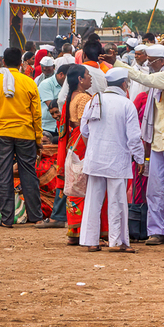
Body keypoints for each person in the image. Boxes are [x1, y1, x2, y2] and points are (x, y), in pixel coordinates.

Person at [124, 44, 164, 246]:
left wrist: (116, 64)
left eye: (150, 61)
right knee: (155, 189)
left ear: (160, 61)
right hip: (157, 140)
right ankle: (157, 231)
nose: (148, 64)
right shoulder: (160, 78)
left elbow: (146, 79)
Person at [0, 47, 44, 229]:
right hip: (26, 134)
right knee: (29, 175)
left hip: (2, 134)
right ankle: (36, 216)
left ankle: (7, 218)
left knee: (3, 175)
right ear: (21, 64)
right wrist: (38, 137)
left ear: (4, 63)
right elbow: (36, 113)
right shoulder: (29, 82)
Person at [79, 68, 144, 252]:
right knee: (117, 201)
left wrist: (94, 146)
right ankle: (117, 241)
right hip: (117, 160)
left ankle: (91, 241)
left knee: (93, 200)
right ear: (124, 84)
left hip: (95, 158)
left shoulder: (94, 101)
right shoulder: (126, 104)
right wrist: (140, 159)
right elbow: (133, 138)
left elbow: (84, 131)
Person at [54, 64, 96, 244]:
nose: (90, 78)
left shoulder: (71, 96)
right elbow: (85, 125)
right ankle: (83, 229)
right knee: (84, 183)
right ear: (80, 79)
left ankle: (74, 229)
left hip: (73, 142)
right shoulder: (85, 98)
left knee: (75, 183)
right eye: (87, 75)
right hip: (83, 142)